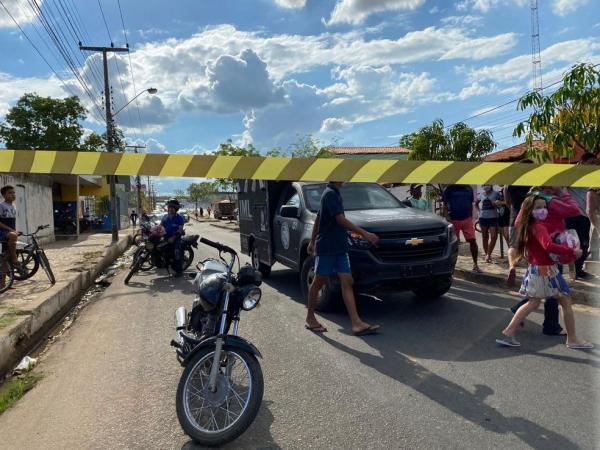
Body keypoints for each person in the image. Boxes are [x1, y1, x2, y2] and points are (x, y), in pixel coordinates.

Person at [496, 195, 593, 349]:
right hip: (546, 270)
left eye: (544, 207)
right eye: (538, 207)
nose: (543, 210)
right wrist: (571, 251)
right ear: (530, 210)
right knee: (564, 301)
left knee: (533, 303)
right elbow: (548, 246)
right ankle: (572, 339)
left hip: (538, 269)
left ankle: (509, 332)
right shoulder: (538, 227)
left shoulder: (528, 226)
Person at [305, 182, 380, 336]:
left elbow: (319, 219)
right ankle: (310, 318)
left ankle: (356, 323)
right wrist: (365, 234)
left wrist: (312, 241)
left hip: (339, 247)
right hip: (328, 247)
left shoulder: (334, 193)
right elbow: (340, 220)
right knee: (319, 281)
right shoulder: (330, 194)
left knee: (347, 280)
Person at [565, 153, 597, 279]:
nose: (593, 165)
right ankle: (572, 270)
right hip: (571, 215)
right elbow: (560, 189)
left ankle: (578, 270)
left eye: (595, 163)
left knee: (584, 245)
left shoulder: (593, 176)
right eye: (591, 163)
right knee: (571, 244)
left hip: (585, 215)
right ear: (582, 162)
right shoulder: (571, 174)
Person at [442, 184, 481, 273]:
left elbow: (471, 204)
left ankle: (475, 265)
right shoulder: (449, 188)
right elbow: (444, 204)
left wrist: (470, 217)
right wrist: (447, 218)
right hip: (453, 220)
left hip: (467, 219)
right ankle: (451, 265)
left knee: (473, 241)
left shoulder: (468, 188)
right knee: (453, 244)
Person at [160, 198, 185, 277]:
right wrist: (155, 231)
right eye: (169, 207)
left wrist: (173, 238)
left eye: (172, 207)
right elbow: (160, 227)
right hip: (166, 237)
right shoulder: (165, 217)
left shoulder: (179, 218)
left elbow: (180, 230)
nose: (170, 209)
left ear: (176, 209)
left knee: (176, 252)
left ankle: (179, 271)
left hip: (176, 238)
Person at [477, 185, 501, 263]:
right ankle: (487, 254)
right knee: (485, 236)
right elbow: (475, 204)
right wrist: (479, 211)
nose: (486, 186)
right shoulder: (481, 194)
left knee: (494, 236)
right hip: (483, 218)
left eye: (488, 184)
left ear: (491, 185)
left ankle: (488, 254)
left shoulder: (496, 193)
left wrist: (497, 204)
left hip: (493, 217)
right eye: (485, 185)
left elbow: (502, 202)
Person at [0, 185, 20, 270]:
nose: (13, 195)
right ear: (4, 195)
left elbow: (12, 221)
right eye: (10, 193)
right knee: (13, 235)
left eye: (14, 193)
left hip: (9, 232)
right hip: (2, 231)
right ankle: (14, 258)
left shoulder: (14, 206)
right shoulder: (1, 206)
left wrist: (14, 230)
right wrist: (11, 230)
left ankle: (3, 282)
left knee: (5, 256)